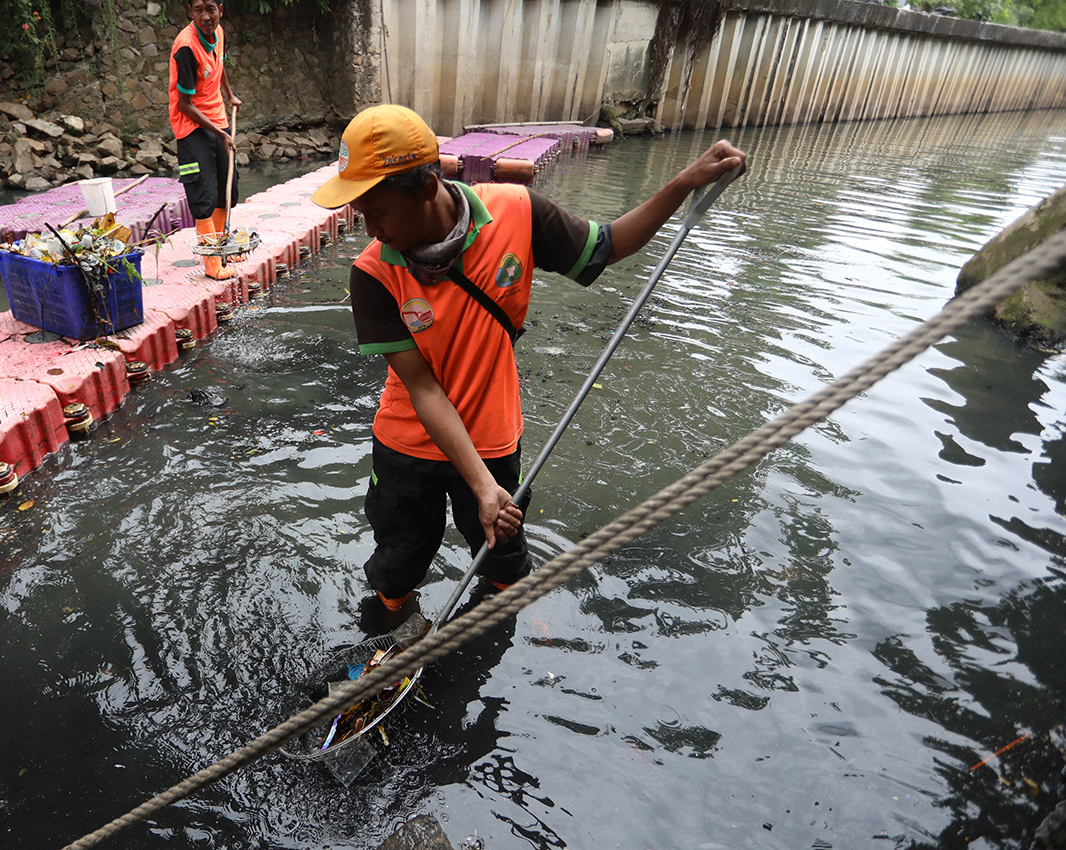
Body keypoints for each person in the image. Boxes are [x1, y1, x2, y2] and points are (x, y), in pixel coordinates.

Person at [310, 104, 748, 612]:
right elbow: (422, 387)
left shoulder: (517, 212)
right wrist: (481, 487)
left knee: (502, 557)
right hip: (408, 446)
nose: (370, 230)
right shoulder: (372, 274)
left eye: (377, 212)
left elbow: (606, 246)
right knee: (398, 562)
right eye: (361, 215)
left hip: (493, 440)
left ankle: (500, 621)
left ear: (426, 188)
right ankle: (387, 630)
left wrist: (684, 183)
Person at [168, 0, 241, 280]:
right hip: (190, 125)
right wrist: (220, 133)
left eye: (210, 8)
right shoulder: (185, 47)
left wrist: (229, 94)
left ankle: (220, 248)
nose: (205, 16)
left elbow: (218, 66)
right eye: (198, 10)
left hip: (216, 118)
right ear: (190, 12)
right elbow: (185, 104)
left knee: (227, 187)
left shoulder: (217, 33)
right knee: (203, 194)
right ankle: (212, 264)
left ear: (221, 9)